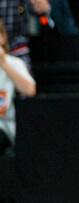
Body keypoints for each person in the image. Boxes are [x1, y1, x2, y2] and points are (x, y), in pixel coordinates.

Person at [0, 19, 35, 156]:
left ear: (3, 37)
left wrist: (4, 64)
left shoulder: (14, 63)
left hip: (4, 127)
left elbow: (30, 90)